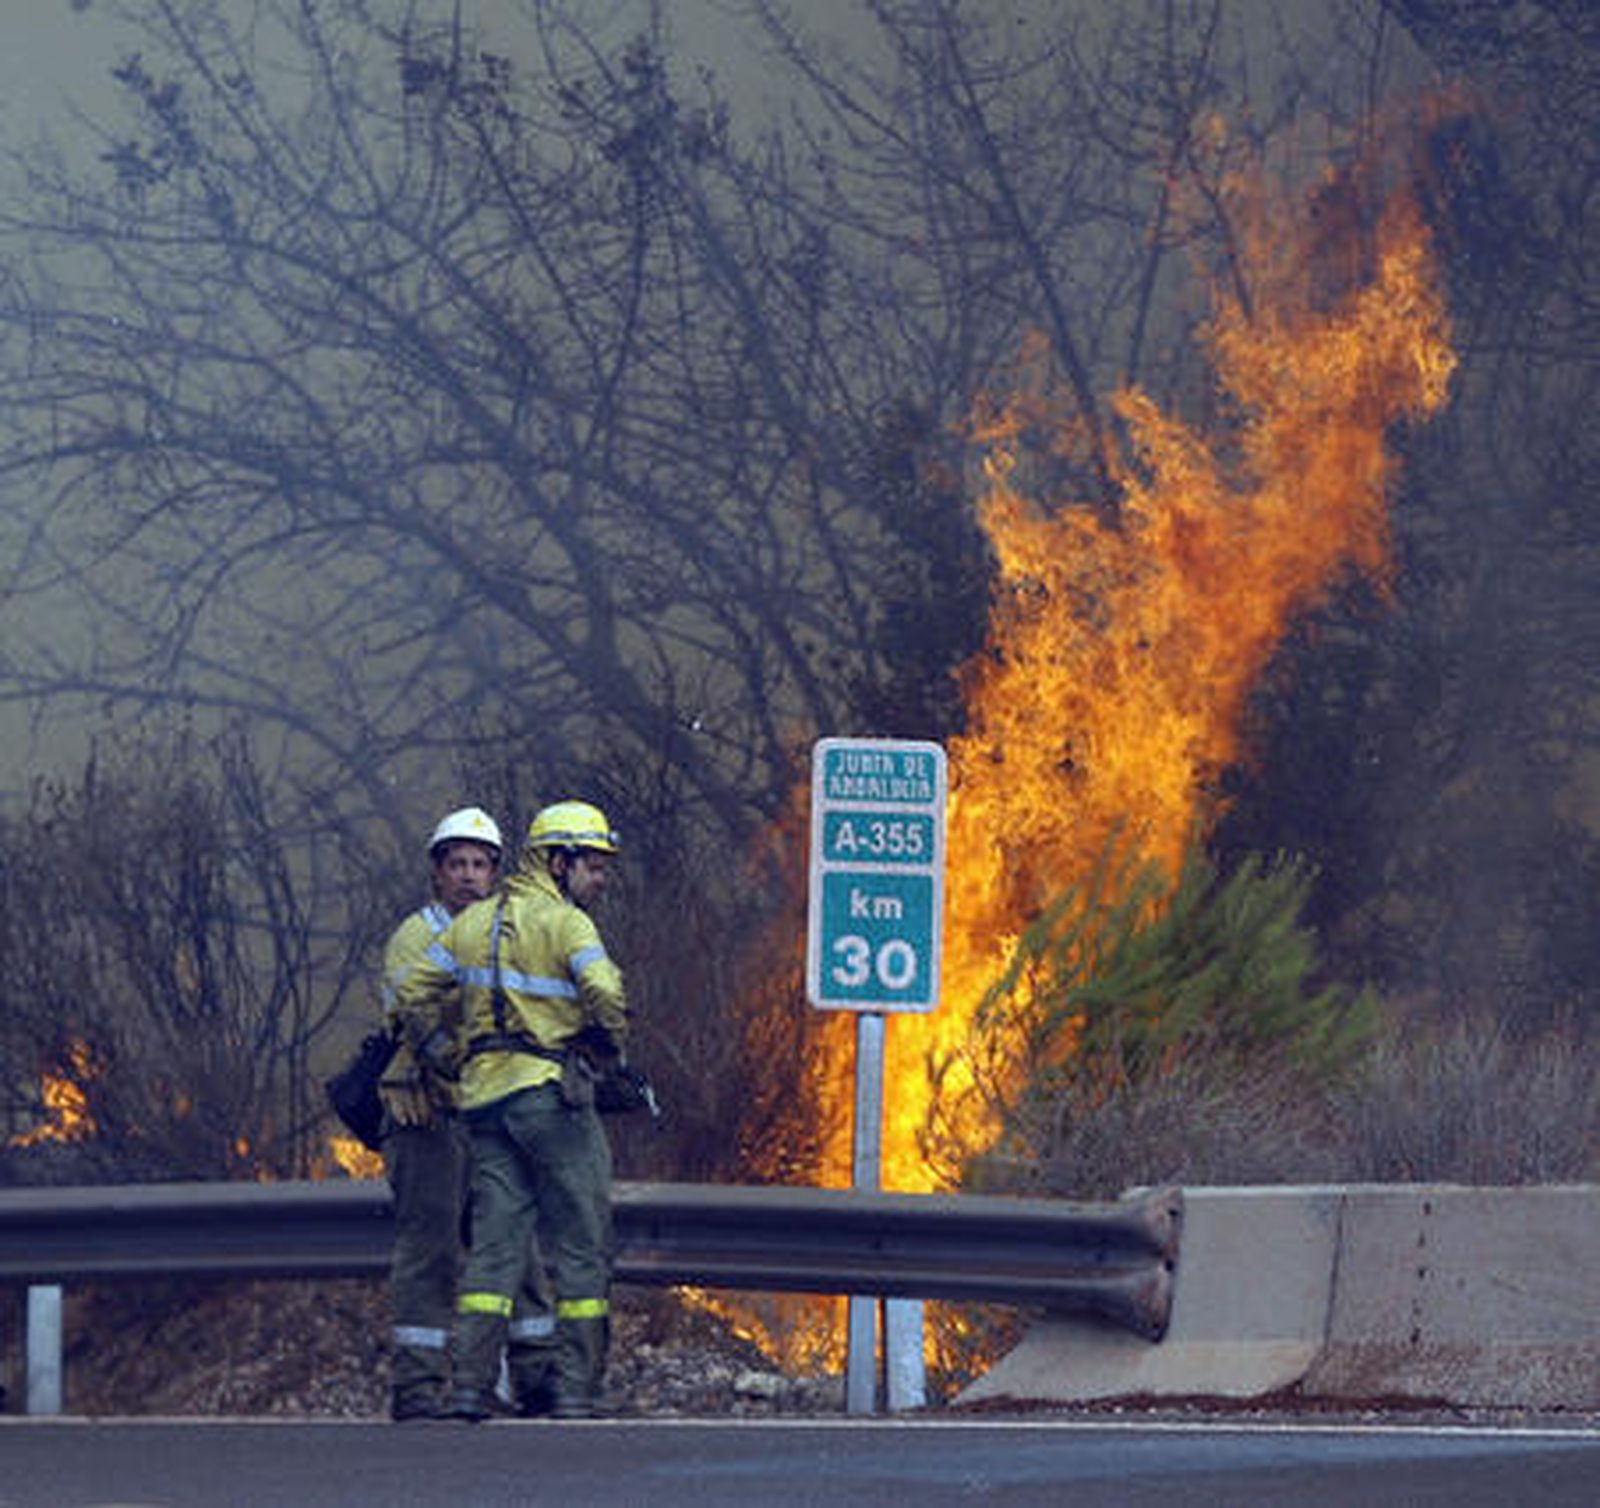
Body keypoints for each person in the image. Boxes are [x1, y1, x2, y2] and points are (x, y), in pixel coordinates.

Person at [396, 799, 629, 1422]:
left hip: (485, 1107)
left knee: (495, 1250)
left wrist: (445, 1056)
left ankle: (469, 1387)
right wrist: (608, 1040)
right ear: (559, 861)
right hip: (553, 1101)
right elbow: (605, 990)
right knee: (583, 1244)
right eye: (594, 866)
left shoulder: (469, 927)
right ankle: (578, 1389)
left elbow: (413, 993)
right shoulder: (566, 923)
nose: (600, 880)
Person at [377, 806, 556, 1422]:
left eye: (481, 865)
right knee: (431, 1250)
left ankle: (538, 1378)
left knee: (516, 1246)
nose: (470, 877)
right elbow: (418, 1015)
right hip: (428, 1115)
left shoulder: (506, 933)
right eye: (457, 865)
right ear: (437, 873)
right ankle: (418, 1388)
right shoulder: (416, 938)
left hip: (491, 1114)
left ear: (497, 873)